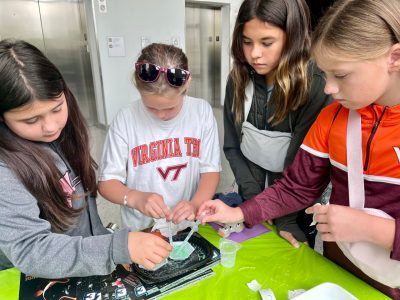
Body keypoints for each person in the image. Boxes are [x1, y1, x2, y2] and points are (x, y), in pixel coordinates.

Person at [198, 0, 400, 297]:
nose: (329, 88)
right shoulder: (334, 118)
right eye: (326, 74)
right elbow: (296, 187)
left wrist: (378, 231)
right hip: (341, 265)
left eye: (340, 75)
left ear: (393, 58)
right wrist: (239, 212)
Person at [0, 39, 172, 278]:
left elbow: (83, 213)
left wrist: (107, 246)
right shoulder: (5, 170)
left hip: (84, 263)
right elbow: (31, 250)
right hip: (34, 278)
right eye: (30, 120)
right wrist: (115, 248)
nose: (50, 126)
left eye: (57, 108)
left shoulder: (65, 135)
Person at [222, 0, 331, 248]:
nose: (254, 54)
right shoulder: (238, 80)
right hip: (250, 193)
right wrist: (253, 203)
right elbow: (232, 147)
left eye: (267, 43)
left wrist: (284, 218)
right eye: (247, 42)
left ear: (292, 38)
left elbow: (306, 171)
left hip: (295, 209)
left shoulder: (315, 84)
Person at [98, 43, 221, 232]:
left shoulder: (201, 112)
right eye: (151, 108)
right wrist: (135, 198)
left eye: (170, 108)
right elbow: (107, 183)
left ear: (186, 86)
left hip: (188, 224)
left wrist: (195, 204)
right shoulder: (125, 119)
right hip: (142, 229)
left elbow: (210, 171)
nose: (161, 115)